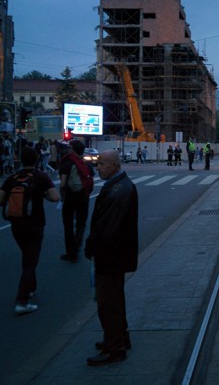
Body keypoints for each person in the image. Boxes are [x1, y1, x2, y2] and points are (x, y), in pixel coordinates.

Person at [84, 150, 138, 366]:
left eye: (102, 164)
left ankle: (114, 347)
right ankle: (120, 337)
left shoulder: (119, 190)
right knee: (115, 298)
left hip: (111, 254)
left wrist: (93, 247)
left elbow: (107, 227)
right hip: (117, 254)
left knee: (109, 302)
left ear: (114, 165)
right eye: (97, 164)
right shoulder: (120, 185)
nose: (98, 168)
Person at [0, 147, 59, 315]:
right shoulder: (41, 177)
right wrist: (41, 195)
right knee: (30, 260)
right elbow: (55, 197)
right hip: (35, 223)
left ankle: (31, 288)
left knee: (27, 256)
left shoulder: (13, 177)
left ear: (21, 160)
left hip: (16, 224)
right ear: (37, 160)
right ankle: (22, 301)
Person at [59, 140, 93, 263]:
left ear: (72, 149)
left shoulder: (67, 161)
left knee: (68, 225)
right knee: (81, 224)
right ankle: (77, 247)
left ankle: (70, 252)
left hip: (70, 196)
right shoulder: (84, 162)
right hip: (83, 196)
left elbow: (62, 183)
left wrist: (61, 194)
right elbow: (91, 176)